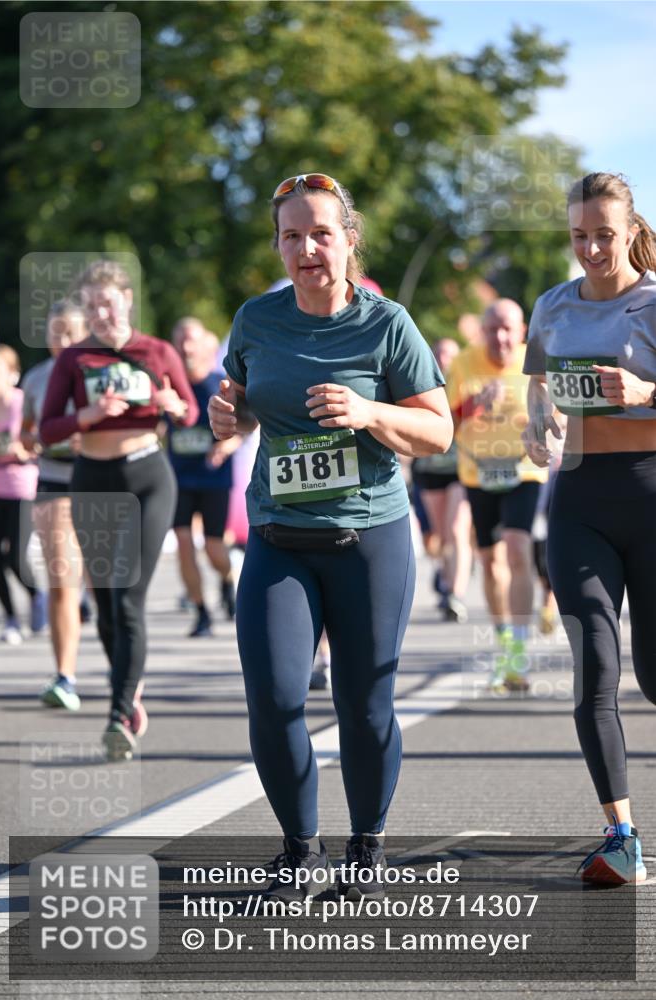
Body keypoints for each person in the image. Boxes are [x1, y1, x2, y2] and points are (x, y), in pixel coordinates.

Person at [209, 172, 452, 902]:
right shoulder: (256, 319)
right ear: (279, 246)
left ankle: (367, 849)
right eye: (291, 236)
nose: (307, 248)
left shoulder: (387, 324)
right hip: (279, 539)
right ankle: (298, 851)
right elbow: (246, 400)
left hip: (369, 539)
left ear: (348, 241)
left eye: (321, 233)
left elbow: (438, 431)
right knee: (275, 697)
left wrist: (369, 411)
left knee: (364, 703)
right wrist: (234, 417)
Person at [522, 172, 656, 884]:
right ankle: (620, 835)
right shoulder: (552, 306)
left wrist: (644, 391)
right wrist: (535, 430)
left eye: (604, 234)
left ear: (631, 230)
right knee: (593, 669)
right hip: (576, 500)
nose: (591, 248)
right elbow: (536, 397)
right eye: (579, 236)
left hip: (651, 493)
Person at [40, 260, 199, 760]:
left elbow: (190, 412)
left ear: (127, 300)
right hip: (93, 480)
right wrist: (86, 416)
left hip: (148, 478)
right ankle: (129, 691)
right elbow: (46, 430)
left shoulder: (157, 350)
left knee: (128, 598)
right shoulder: (75, 359)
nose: (101, 314)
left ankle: (118, 712)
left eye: (107, 303)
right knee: (106, 606)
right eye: (91, 307)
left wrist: (174, 407)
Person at [446, 300, 548, 691]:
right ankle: (505, 641)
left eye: (508, 329)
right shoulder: (465, 363)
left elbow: (558, 412)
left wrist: (546, 427)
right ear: (482, 332)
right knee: (489, 564)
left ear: (522, 330)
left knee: (517, 547)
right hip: (478, 471)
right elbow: (444, 423)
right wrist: (474, 404)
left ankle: (518, 656)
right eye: (492, 329)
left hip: (523, 469)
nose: (500, 338)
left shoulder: (535, 361)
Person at [21, 300, 89, 709]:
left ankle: (125, 677)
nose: (62, 341)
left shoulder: (101, 373)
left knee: (110, 587)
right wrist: (38, 440)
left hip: (101, 480)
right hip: (54, 479)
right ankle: (65, 676)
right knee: (62, 579)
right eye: (55, 332)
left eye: (70, 332)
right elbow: (28, 433)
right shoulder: (36, 378)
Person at [169, 317, 241, 637]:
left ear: (205, 346)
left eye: (192, 340)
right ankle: (201, 612)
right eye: (181, 340)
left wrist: (226, 448)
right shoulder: (168, 386)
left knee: (214, 548)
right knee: (184, 542)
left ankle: (227, 579)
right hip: (179, 478)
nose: (186, 346)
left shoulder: (220, 384)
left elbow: (248, 426)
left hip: (213, 478)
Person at [411, 338, 473, 623]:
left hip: (461, 468)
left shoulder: (467, 382)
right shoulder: (420, 381)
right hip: (429, 467)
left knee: (457, 529)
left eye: (449, 353)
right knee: (438, 536)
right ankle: (447, 579)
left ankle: (455, 595)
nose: (444, 359)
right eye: (439, 353)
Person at [0, 345, 44, 643]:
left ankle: (38, 596)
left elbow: (35, 444)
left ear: (13, 373)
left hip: (22, 488)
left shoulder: (22, 403)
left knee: (16, 559)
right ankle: (11, 618)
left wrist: (12, 448)